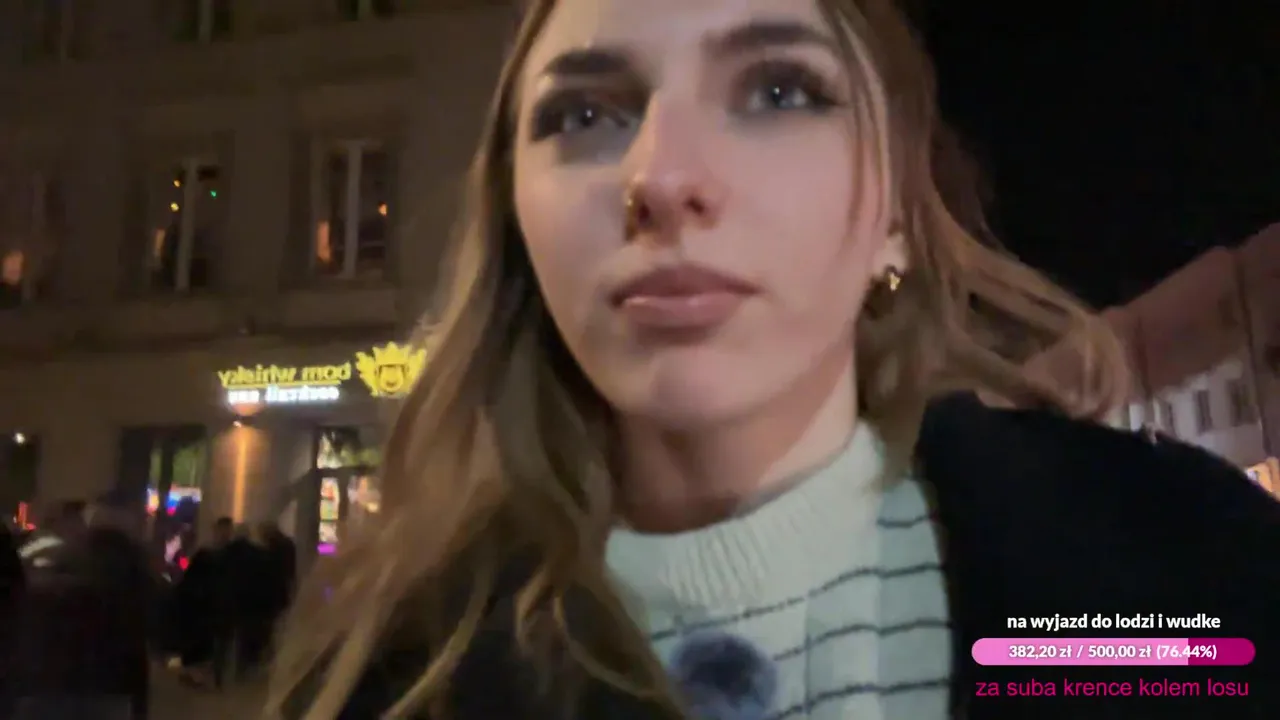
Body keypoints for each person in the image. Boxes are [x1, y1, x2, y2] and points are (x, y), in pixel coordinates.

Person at [269, 1, 1280, 719]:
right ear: (517, 227)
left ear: (896, 212)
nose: (662, 177)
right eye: (582, 115)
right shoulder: (392, 683)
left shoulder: (1188, 581)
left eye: (778, 89)